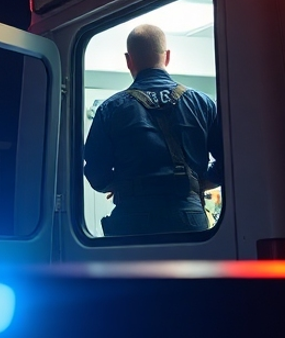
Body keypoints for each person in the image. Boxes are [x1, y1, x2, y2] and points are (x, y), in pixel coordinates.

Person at [84, 23, 222, 236]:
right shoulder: (202, 103)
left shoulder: (110, 109)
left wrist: (121, 184)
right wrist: (198, 183)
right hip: (189, 218)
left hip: (132, 220)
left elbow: (95, 173)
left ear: (128, 60)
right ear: (167, 56)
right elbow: (228, 163)